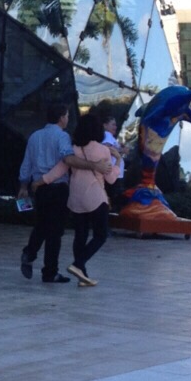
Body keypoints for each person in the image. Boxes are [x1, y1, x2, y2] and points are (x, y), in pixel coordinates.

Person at [18, 103, 76, 283]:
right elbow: (67, 158)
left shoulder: (35, 136)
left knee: (41, 225)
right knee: (55, 232)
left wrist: (23, 185)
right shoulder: (63, 136)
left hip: (39, 188)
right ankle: (50, 271)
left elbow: (27, 163)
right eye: (67, 115)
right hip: (58, 187)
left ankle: (29, 253)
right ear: (61, 117)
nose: (68, 119)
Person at [60, 109, 118, 285]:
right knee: (100, 235)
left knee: (80, 235)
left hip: (76, 197)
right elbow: (111, 178)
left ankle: (82, 275)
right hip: (95, 198)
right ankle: (78, 264)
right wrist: (119, 160)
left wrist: (42, 181)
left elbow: (60, 169)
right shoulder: (103, 150)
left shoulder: (73, 149)